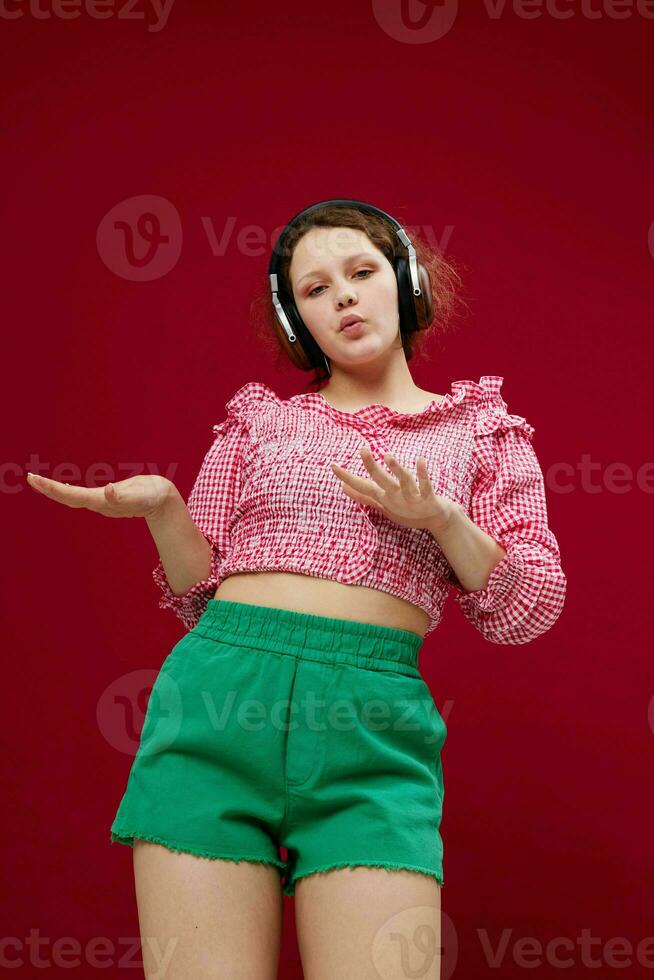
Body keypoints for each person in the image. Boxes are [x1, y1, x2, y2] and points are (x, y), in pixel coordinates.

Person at [27, 199, 567, 979]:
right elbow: (198, 599)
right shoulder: (257, 424)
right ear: (296, 318)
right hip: (216, 706)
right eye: (314, 289)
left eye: (360, 272)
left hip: (370, 730)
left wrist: (443, 519)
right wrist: (165, 512)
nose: (342, 297)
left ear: (407, 282)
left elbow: (529, 608)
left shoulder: (480, 432)